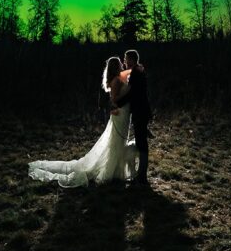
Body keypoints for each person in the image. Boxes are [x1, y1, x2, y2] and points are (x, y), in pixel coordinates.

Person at [27, 57, 139, 187]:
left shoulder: (120, 76)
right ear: (116, 66)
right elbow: (114, 100)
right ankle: (111, 171)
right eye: (120, 63)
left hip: (124, 115)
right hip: (120, 115)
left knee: (120, 141)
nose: (122, 64)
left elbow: (132, 71)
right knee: (116, 142)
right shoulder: (115, 81)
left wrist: (136, 70)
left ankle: (117, 169)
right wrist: (130, 92)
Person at [114, 49, 152, 186]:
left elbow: (132, 94)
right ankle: (141, 175)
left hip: (140, 111)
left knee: (142, 144)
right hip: (142, 111)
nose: (124, 61)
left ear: (132, 59)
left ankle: (142, 176)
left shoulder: (136, 73)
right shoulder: (137, 71)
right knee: (141, 142)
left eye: (126, 59)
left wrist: (117, 103)